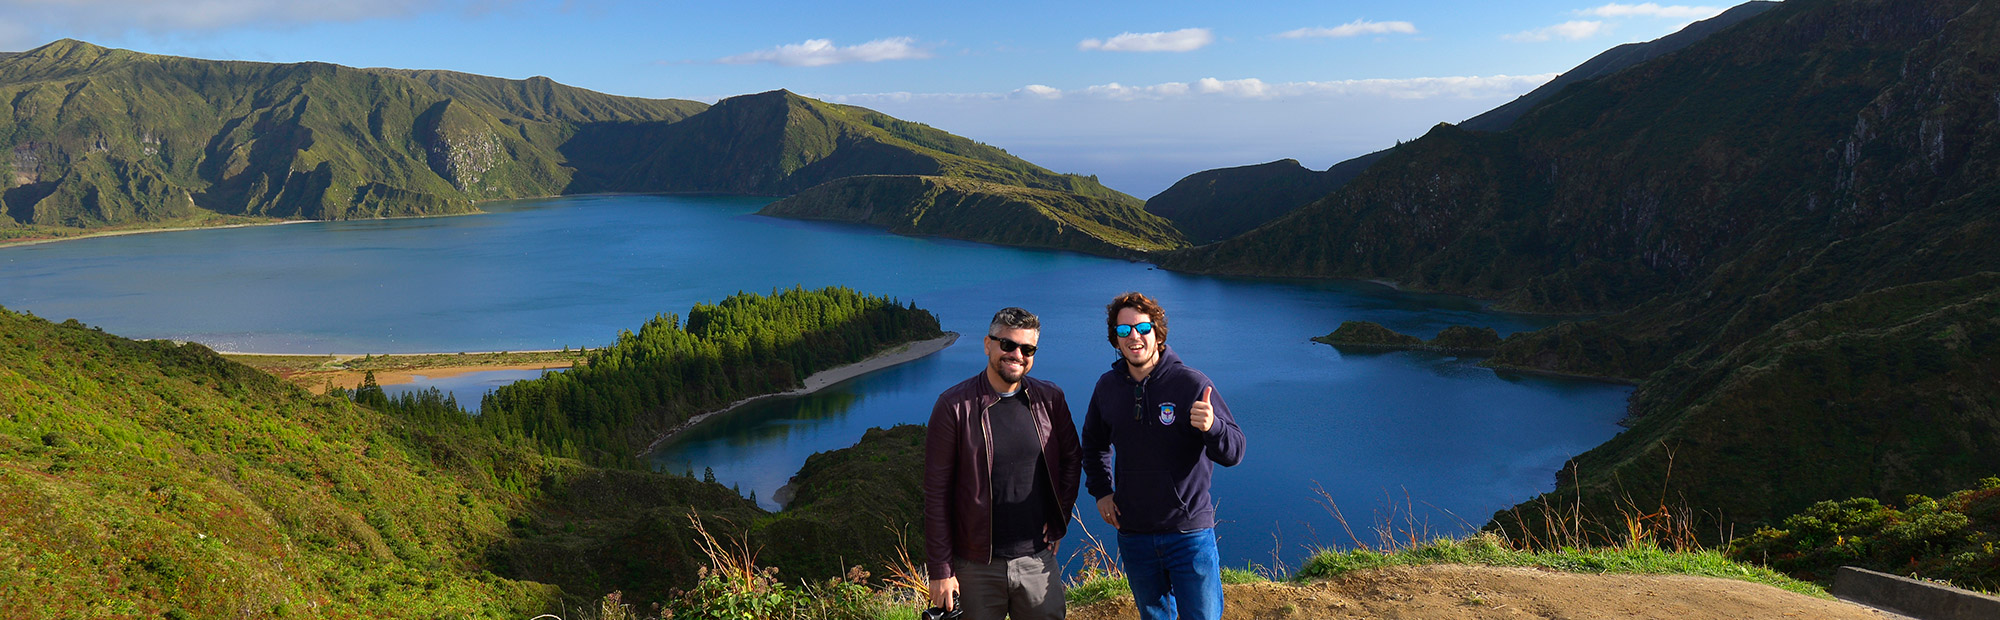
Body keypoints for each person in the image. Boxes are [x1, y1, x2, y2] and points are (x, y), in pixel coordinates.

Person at [1081, 292, 1245, 620]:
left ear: (1158, 333)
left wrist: (1212, 427)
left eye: (1142, 327)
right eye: (1124, 330)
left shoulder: (1191, 383)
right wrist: (1102, 490)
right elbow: (1094, 442)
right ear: (1114, 337)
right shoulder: (1107, 387)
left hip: (1189, 533)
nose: (1134, 337)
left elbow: (1234, 452)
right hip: (1135, 534)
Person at [925, 307, 1082, 620]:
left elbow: (1071, 459)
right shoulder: (954, 406)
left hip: (1037, 559)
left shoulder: (1050, 399)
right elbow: (936, 494)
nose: (1017, 355)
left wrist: (1059, 518)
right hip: (974, 566)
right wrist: (941, 570)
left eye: (1027, 349)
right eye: (1007, 345)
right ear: (988, 344)